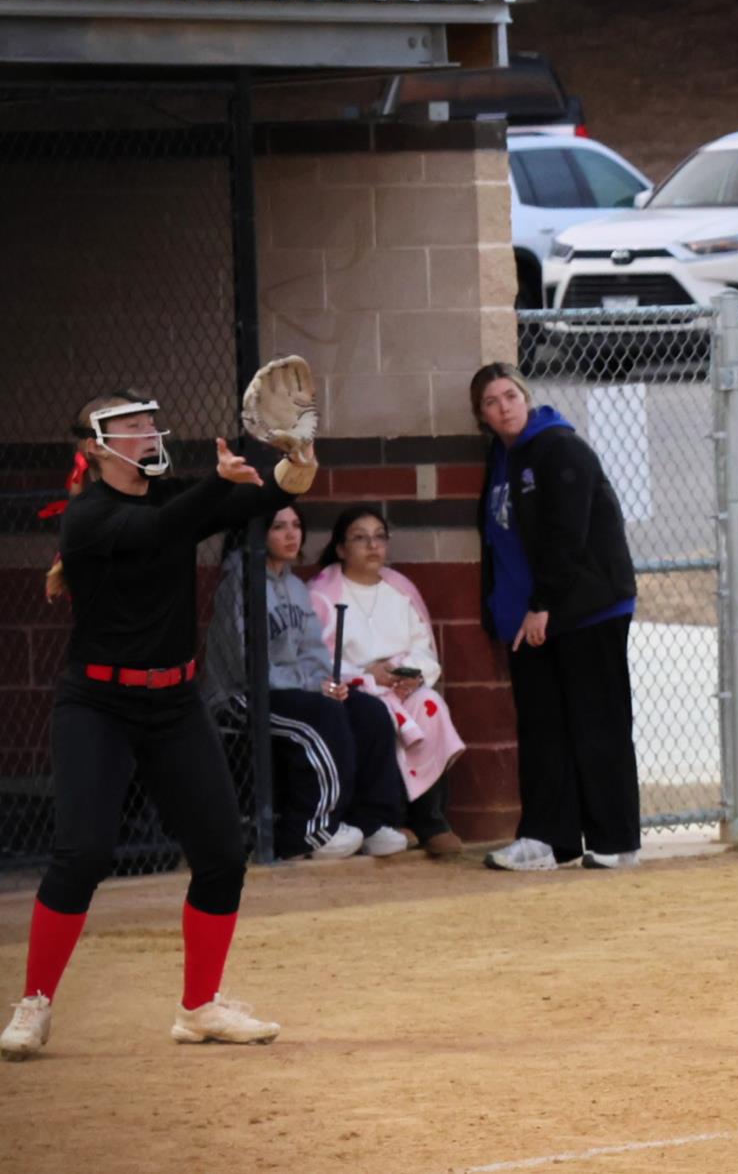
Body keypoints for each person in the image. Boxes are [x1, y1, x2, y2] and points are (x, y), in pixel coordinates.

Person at [3, 389, 311, 1061]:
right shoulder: (87, 518)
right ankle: (34, 1005)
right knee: (83, 853)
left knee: (222, 855)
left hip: (174, 702)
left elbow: (258, 499)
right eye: (130, 426)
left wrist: (293, 459)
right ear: (94, 447)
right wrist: (219, 485)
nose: (148, 433)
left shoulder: (171, 495)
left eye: (149, 422)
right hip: (97, 703)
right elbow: (160, 529)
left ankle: (199, 1008)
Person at [472, 363, 642, 872]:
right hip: (531, 620)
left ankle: (616, 840)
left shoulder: (558, 448)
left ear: (526, 397)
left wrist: (544, 604)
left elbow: (566, 534)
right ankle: (549, 840)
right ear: (481, 415)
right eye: (491, 402)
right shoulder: (501, 458)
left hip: (585, 610)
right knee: (545, 731)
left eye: (510, 395)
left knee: (598, 725)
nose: (504, 407)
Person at [203, 503, 411, 861]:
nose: (290, 534)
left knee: (369, 711)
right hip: (243, 696)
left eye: (296, 525)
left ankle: (370, 822)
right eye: (278, 526)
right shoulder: (238, 585)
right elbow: (243, 664)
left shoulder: (297, 587)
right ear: (255, 535)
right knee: (322, 716)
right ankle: (309, 832)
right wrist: (310, 691)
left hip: (294, 692)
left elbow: (314, 651)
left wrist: (327, 684)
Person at [308, 507, 466, 855]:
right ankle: (390, 820)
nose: (372, 545)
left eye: (380, 536)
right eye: (360, 538)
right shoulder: (322, 593)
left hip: (400, 686)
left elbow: (423, 647)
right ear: (340, 548)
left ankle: (431, 819)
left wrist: (409, 675)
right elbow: (317, 659)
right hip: (354, 689)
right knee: (378, 716)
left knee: (431, 707)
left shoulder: (401, 589)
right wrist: (367, 677)